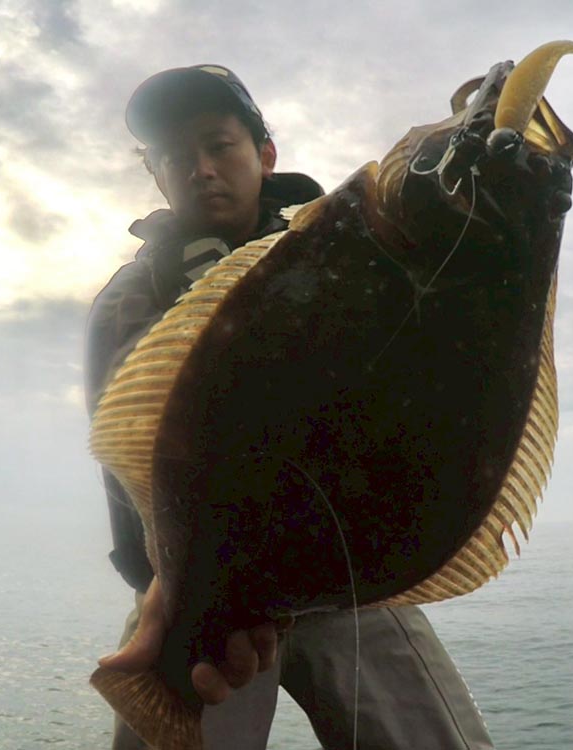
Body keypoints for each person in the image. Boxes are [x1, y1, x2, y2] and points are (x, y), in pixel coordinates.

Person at [84, 64, 496, 750]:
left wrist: (475, 135)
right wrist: (180, 581)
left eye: (219, 145)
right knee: (168, 718)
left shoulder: (347, 250)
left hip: (352, 580)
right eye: (175, 157)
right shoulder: (130, 300)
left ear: (265, 155)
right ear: (156, 175)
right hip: (201, 584)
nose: (201, 169)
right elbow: (137, 457)